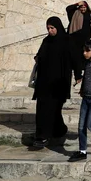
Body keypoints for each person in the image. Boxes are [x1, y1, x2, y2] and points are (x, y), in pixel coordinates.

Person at [31, 17, 73, 149]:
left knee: (54, 110)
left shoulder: (66, 41)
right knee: (42, 109)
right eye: (48, 28)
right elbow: (40, 55)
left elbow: (69, 64)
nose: (50, 31)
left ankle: (59, 130)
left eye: (52, 28)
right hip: (44, 82)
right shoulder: (46, 41)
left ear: (58, 27)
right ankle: (42, 136)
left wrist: (72, 80)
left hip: (58, 84)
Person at [66, 2, 91, 81]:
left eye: (84, 7)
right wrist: (77, 3)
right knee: (76, 56)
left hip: (85, 39)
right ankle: (78, 75)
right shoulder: (75, 13)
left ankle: (83, 73)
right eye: (81, 7)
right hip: (74, 38)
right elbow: (68, 8)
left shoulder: (89, 14)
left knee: (84, 56)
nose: (83, 9)